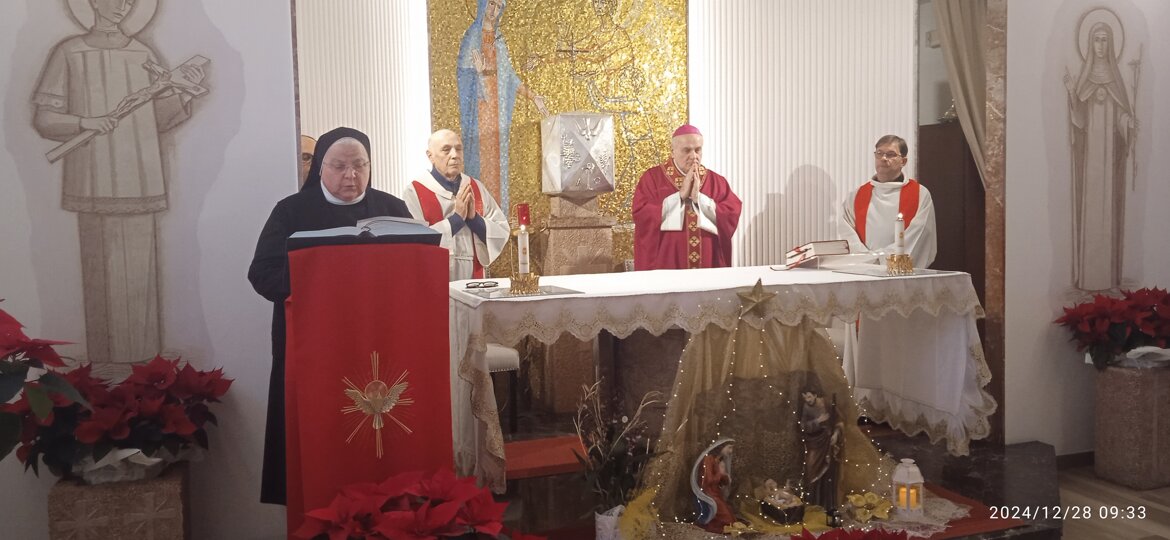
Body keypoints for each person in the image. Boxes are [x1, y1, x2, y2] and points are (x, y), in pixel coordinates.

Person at [32, 0, 206, 365]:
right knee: (100, 272)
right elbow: (45, 119)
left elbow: (159, 118)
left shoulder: (142, 52)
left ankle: (142, 360)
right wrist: (84, 122)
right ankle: (103, 361)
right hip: (91, 177)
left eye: (130, 1)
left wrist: (183, 92)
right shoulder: (70, 52)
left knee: (140, 274)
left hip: (141, 177)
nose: (123, 7)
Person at [248, 127, 411, 505]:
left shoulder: (393, 210)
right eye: (339, 166)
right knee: (319, 438)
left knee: (374, 442)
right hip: (313, 347)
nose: (350, 176)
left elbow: (414, 270)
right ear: (320, 167)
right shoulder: (290, 211)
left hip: (377, 345)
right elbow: (262, 274)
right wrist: (320, 277)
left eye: (360, 166)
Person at [457, 0, 549, 211]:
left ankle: (498, 214)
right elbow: (463, 75)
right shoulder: (472, 37)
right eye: (491, 3)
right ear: (482, 5)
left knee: (497, 164)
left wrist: (533, 97)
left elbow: (510, 77)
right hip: (480, 112)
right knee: (481, 161)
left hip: (497, 112)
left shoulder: (499, 40)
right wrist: (477, 73)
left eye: (499, 6)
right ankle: (477, 212)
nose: (494, 10)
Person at [1064, 21, 1135, 291]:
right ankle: (1089, 277)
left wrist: (1129, 122)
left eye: (1105, 40)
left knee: (1109, 213)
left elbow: (1121, 119)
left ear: (1112, 44)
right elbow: (1079, 121)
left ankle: (1108, 277)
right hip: (1091, 163)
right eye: (1097, 40)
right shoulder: (1085, 80)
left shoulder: (1116, 80)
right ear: (1090, 43)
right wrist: (1072, 93)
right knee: (1092, 212)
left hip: (1110, 163)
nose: (1101, 45)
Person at [401, 129, 511, 281]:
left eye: (458, 149)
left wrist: (474, 220)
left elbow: (502, 229)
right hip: (436, 277)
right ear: (430, 156)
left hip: (474, 278)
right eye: (446, 150)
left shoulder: (476, 187)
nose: (455, 155)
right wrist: (456, 221)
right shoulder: (415, 191)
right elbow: (414, 241)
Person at [632, 125, 742, 270]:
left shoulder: (717, 181)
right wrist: (679, 197)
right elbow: (642, 215)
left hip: (708, 264)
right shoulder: (652, 179)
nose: (694, 156)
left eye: (698, 150)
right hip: (667, 264)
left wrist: (699, 199)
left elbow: (730, 214)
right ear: (672, 152)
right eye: (687, 150)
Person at [838, 135, 937, 268]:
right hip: (864, 271)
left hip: (901, 273)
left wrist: (882, 260)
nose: (883, 158)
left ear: (903, 161)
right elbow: (847, 233)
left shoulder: (920, 194)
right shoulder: (856, 195)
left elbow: (918, 235)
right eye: (879, 153)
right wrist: (867, 260)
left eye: (890, 154)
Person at [800, 389, 842, 511]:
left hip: (827, 441)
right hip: (813, 443)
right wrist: (818, 421)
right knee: (810, 469)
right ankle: (812, 502)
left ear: (815, 395)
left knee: (828, 472)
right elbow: (803, 426)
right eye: (804, 397)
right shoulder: (806, 407)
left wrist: (836, 434)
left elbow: (839, 420)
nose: (807, 400)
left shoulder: (827, 403)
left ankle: (827, 504)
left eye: (809, 397)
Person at [693, 439, 738, 533]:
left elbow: (720, 483)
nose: (730, 451)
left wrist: (726, 478)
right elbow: (708, 480)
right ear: (721, 446)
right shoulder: (708, 459)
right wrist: (720, 474)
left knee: (731, 517)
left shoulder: (718, 461)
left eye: (732, 448)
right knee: (727, 519)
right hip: (708, 493)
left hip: (716, 493)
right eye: (729, 447)